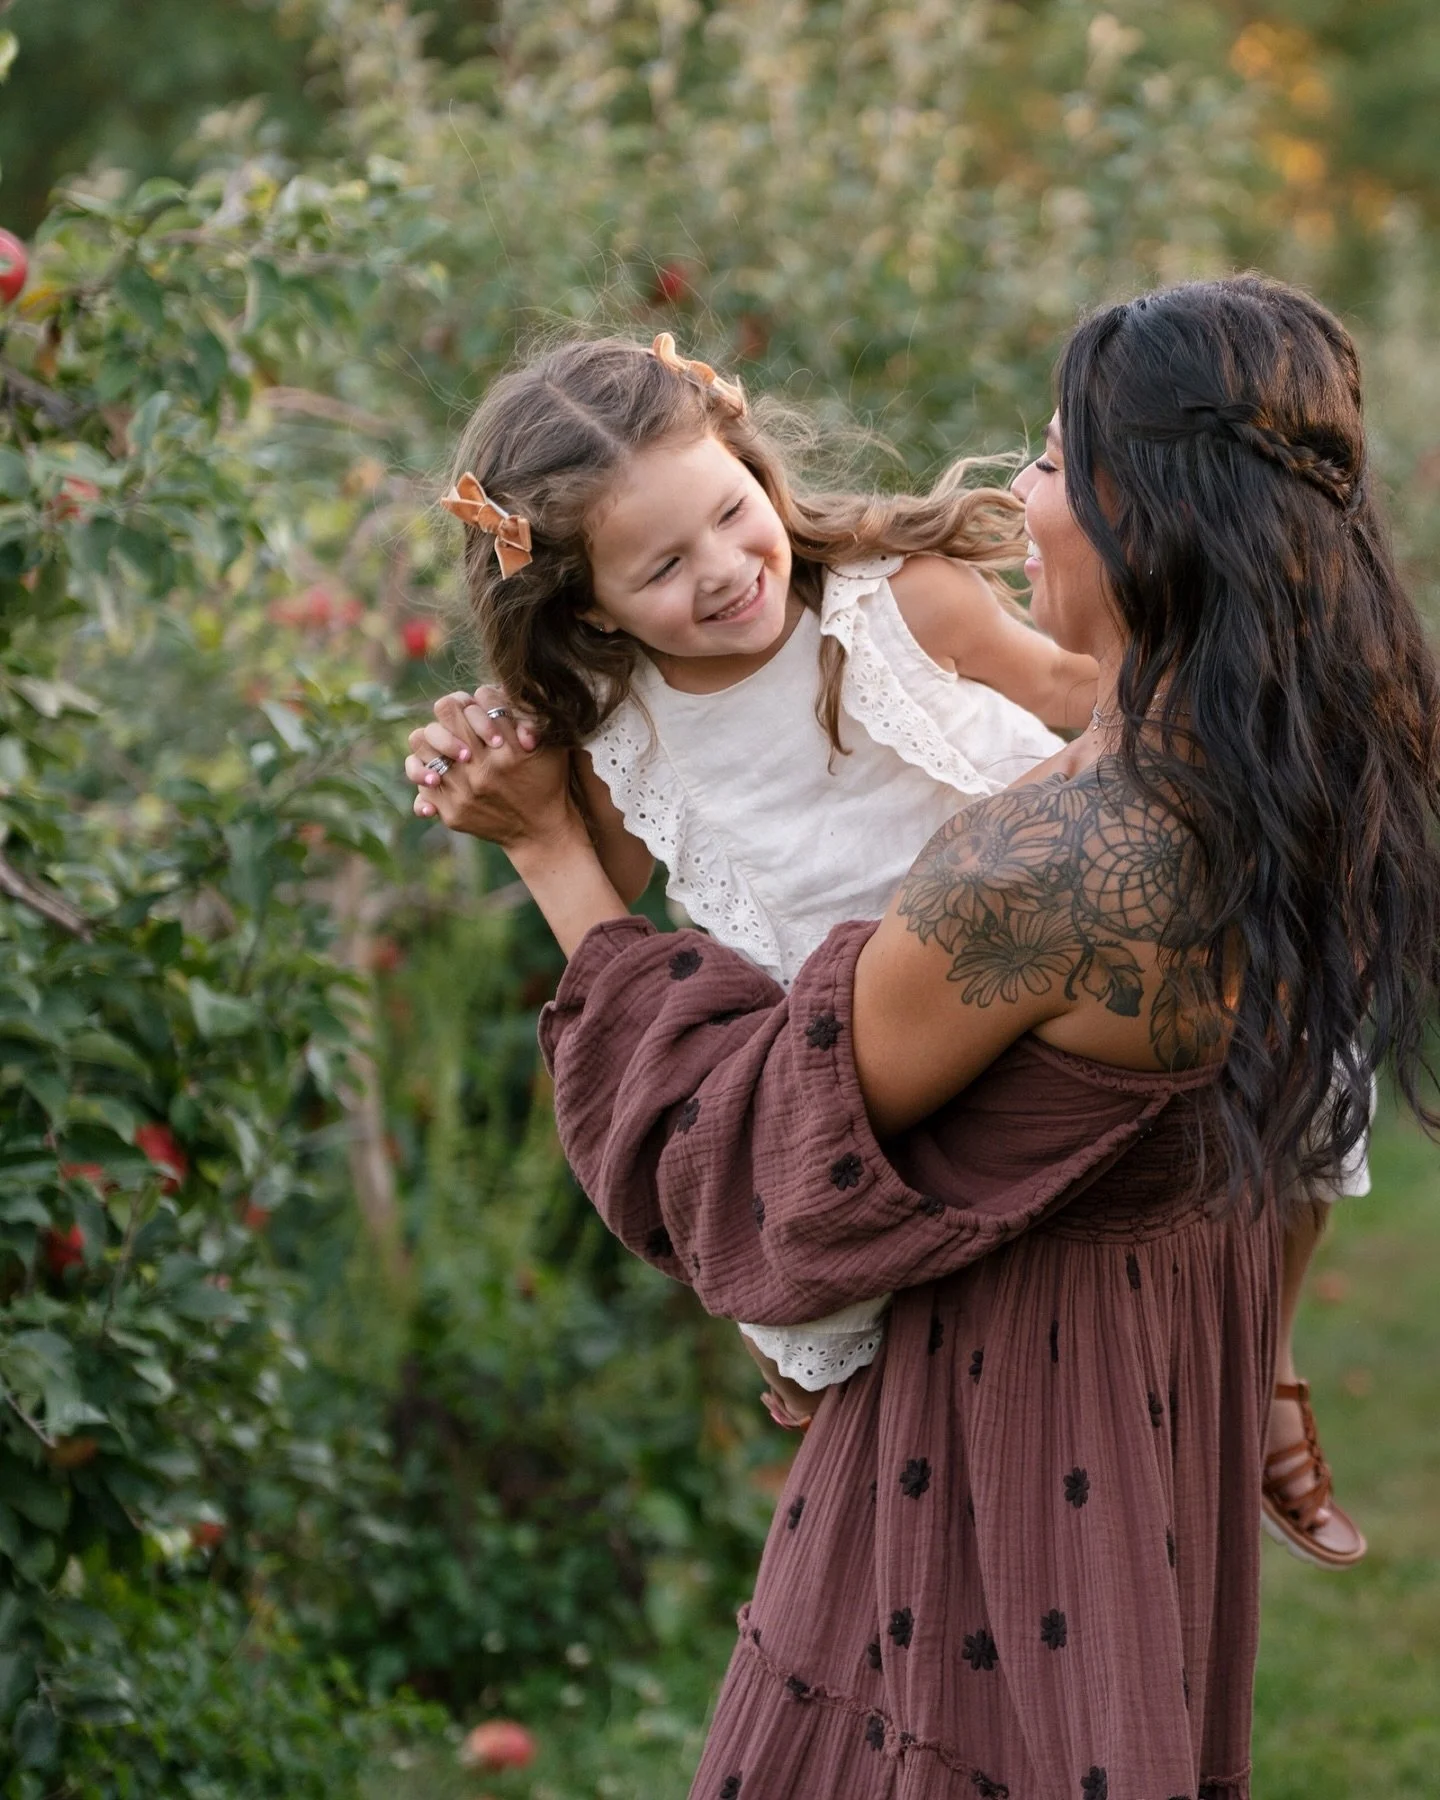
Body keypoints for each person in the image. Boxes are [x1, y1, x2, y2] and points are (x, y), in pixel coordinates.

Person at [409, 276, 1440, 1797]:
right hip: (1074, 1246)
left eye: (1050, 459)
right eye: (656, 564)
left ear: (1148, 516)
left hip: (1001, 1311)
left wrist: (547, 862)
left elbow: (757, 1162)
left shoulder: (1058, 848)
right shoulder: (1241, 782)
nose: (1015, 493)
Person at [412, 330, 1095, 1425]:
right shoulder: (633, 739)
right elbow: (614, 937)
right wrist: (495, 768)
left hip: (1032, 975)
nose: (726, 570)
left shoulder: (899, 601)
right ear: (589, 605)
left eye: (731, 513)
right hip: (857, 1067)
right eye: (664, 567)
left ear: (753, 465)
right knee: (840, 1351)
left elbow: (1069, 687)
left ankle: (1268, 1388)